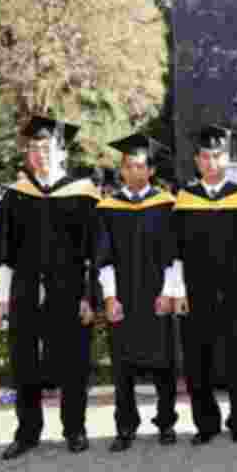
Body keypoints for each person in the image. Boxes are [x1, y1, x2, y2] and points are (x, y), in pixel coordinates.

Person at [0, 115, 100, 460]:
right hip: (25, 292)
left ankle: (75, 429)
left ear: (61, 151)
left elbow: (95, 255)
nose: (39, 154)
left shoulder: (83, 196)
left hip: (70, 293)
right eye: (33, 148)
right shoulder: (16, 197)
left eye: (46, 147)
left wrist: (89, 297)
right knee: (23, 363)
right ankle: (27, 431)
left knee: (74, 362)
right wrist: (3, 300)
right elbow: (4, 254)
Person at [172, 125, 237, 445]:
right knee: (197, 356)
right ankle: (205, 423)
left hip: (234, 287)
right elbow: (176, 249)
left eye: (217, 156)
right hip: (196, 289)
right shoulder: (185, 198)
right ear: (197, 161)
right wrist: (178, 290)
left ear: (227, 158)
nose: (211, 162)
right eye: (205, 157)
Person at [96, 133, 181, 452]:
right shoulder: (108, 207)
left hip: (157, 294)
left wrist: (170, 292)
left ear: (151, 171)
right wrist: (109, 297)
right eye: (128, 166)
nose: (134, 171)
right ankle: (125, 426)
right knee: (123, 366)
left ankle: (166, 422)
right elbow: (103, 259)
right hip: (125, 296)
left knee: (165, 364)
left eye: (140, 165)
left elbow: (174, 255)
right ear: (122, 170)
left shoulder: (165, 205)